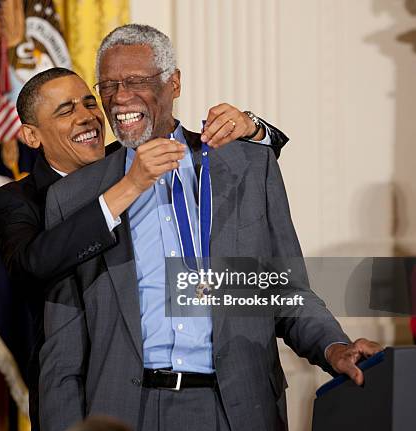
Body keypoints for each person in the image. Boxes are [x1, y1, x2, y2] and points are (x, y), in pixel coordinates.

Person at [38, 24, 382, 431]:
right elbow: (62, 349)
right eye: (108, 85)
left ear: (174, 83)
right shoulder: (78, 197)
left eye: (136, 81)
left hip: (236, 408)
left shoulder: (248, 168)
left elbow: (284, 291)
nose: (120, 98)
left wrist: (334, 347)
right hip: (126, 412)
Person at [0, 67, 290, 429]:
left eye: (89, 102)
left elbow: (236, 157)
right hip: (87, 398)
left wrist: (251, 125)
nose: (87, 116)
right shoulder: (20, 199)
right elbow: (31, 264)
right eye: (66, 110)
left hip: (215, 393)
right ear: (32, 136)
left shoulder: (128, 158)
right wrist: (129, 187)